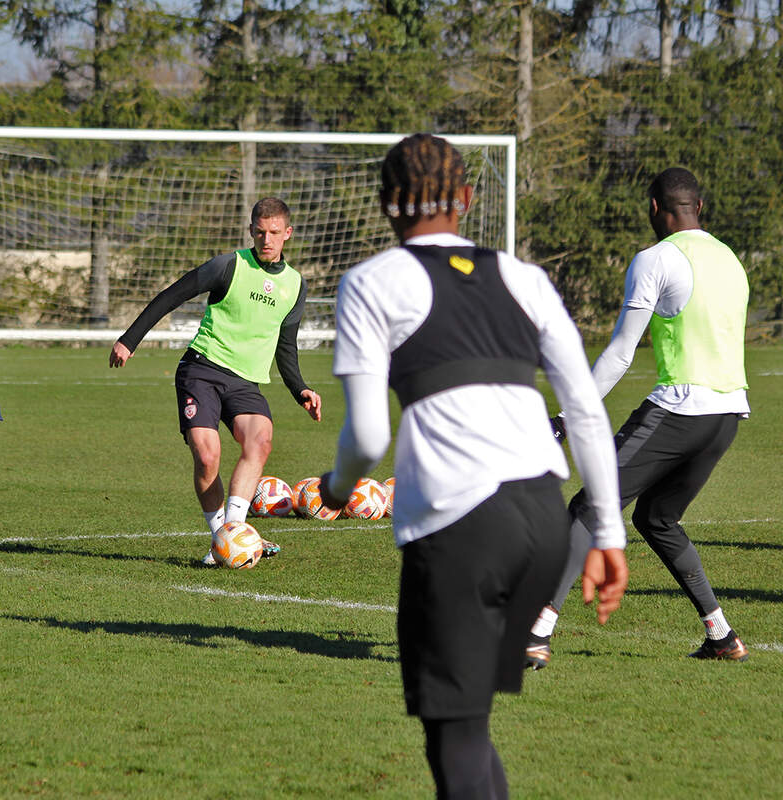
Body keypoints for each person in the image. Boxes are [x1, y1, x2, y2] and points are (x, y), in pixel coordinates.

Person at [316, 134, 628, 798]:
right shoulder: (526, 278)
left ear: (384, 204)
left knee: (453, 735)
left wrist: (336, 488)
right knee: (469, 725)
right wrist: (607, 535)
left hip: (463, 525)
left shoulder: (370, 282)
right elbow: (585, 411)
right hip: (544, 519)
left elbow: (368, 433)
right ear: (466, 199)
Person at [526, 167, 751, 669]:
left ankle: (535, 632)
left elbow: (621, 354)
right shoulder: (731, 259)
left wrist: (565, 418)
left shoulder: (656, 259)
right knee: (657, 517)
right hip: (729, 414)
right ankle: (721, 634)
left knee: (589, 507)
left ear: (654, 208)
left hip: (679, 408)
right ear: (701, 208)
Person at [109, 197, 322, 565]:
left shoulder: (294, 285)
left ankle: (234, 534)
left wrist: (299, 387)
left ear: (288, 233)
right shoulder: (229, 266)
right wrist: (130, 340)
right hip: (201, 370)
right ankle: (219, 537)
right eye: (259, 232)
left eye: (274, 233)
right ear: (251, 230)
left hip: (245, 382)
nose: (266, 239)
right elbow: (171, 296)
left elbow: (285, 344)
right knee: (208, 457)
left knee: (261, 440)